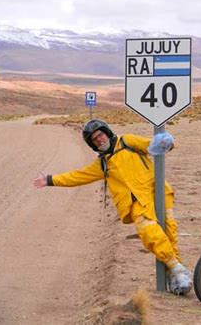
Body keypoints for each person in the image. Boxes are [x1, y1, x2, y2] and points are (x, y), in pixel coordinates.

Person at [33, 119, 192, 295]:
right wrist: (50, 180)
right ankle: (177, 269)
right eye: (95, 139)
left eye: (100, 134)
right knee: (151, 234)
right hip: (136, 203)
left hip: (159, 192)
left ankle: (176, 276)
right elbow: (77, 176)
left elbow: (150, 146)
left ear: (106, 132)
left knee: (170, 234)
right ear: (92, 144)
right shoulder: (102, 164)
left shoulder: (127, 141)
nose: (99, 139)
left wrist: (165, 142)